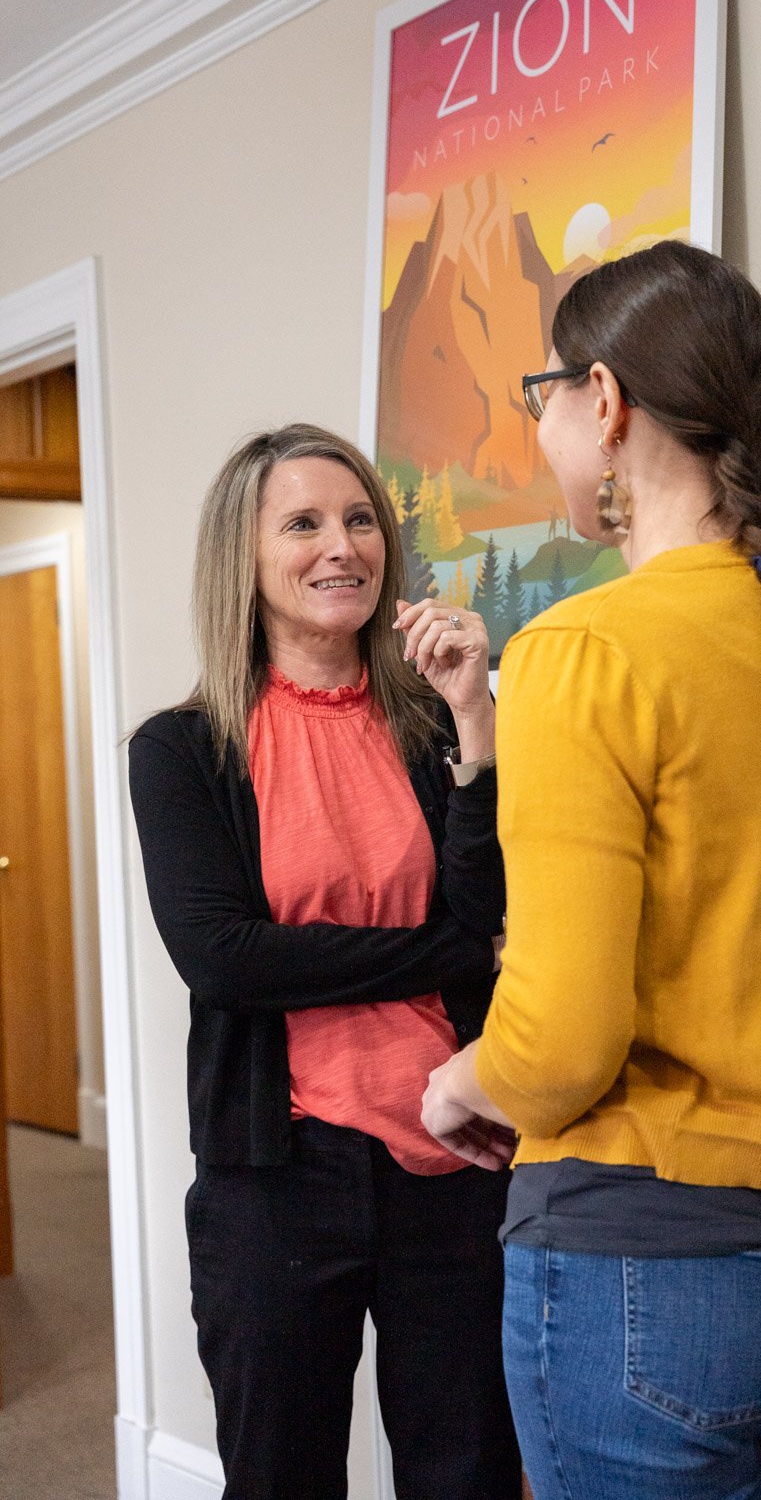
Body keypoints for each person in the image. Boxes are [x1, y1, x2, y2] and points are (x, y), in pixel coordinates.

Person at [422, 243, 761, 1500]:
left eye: (541, 390)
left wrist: (457, 1084)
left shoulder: (580, 651)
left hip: (649, 1279)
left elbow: (557, 1046)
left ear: (603, 402)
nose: (539, 419)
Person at [128, 425, 520, 1500]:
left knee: (468, 1471)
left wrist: (476, 723)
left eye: (357, 520)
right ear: (243, 557)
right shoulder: (183, 748)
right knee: (281, 1476)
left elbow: (487, 910)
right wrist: (441, 950)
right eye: (301, 522)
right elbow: (226, 959)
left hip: (454, 1155)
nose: (339, 545)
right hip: (276, 1173)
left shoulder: (427, 727)